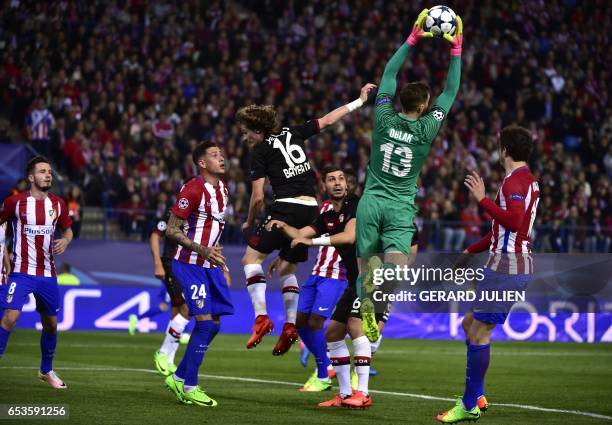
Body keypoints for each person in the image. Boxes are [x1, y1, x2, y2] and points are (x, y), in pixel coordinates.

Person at [236, 82, 376, 355]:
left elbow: (257, 196)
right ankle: (290, 324)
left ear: (257, 130)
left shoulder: (261, 151)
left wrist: (249, 221)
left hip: (285, 208)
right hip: (311, 209)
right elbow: (327, 120)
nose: (245, 139)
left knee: (250, 260)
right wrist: (359, 102)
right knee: (287, 269)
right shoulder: (293, 132)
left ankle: (261, 317)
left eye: (245, 133)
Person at [356, 9, 463, 342]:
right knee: (398, 267)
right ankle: (378, 302)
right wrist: (456, 50)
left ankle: (365, 304)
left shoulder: (384, 116)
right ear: (424, 106)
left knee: (364, 270)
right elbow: (451, 92)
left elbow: (389, 73)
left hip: (370, 201)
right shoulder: (427, 128)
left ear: (400, 100)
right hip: (400, 206)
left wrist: (412, 39)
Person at [436, 125, 540, 423]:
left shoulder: (513, 184)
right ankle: (477, 394)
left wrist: (483, 200)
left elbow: (515, 221)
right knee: (471, 324)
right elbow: (501, 230)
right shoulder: (526, 180)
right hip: (503, 261)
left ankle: (468, 404)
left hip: (508, 264)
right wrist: (471, 251)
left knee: (480, 331)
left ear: (504, 149)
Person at [266, 166, 355, 393]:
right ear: (323, 185)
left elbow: (348, 238)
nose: (337, 183)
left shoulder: (355, 208)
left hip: (337, 275)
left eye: (341, 179)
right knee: (299, 323)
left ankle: (332, 371)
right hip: (317, 273)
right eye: (331, 179)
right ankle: (326, 370)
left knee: (317, 323)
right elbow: (301, 235)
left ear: (348, 184)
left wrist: (309, 241)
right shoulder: (323, 211)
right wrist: (283, 240)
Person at [163, 141, 233, 407]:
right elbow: (171, 229)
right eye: (215, 155)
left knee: (214, 324)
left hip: (209, 265)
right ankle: (189, 385)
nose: (222, 158)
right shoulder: (192, 189)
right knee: (204, 323)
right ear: (202, 163)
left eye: (221, 154)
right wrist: (202, 249)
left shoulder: (223, 189)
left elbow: (211, 228)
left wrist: (216, 257)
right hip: (189, 264)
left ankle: (180, 376)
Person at [0, 156, 73, 388]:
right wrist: (4, 254)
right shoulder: (15, 203)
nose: (48, 175)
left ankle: (46, 370)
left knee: (51, 324)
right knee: (10, 317)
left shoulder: (59, 204)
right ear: (31, 177)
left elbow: (68, 230)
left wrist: (66, 241)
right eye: (42, 171)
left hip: (48, 274)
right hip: (21, 272)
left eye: (49, 171)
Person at [145, 204, 193, 373]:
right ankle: (163, 353)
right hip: (171, 265)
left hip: (187, 267)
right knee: (187, 309)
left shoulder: (199, 216)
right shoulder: (173, 214)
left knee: (177, 312)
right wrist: (158, 264)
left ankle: (170, 359)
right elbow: (154, 237)